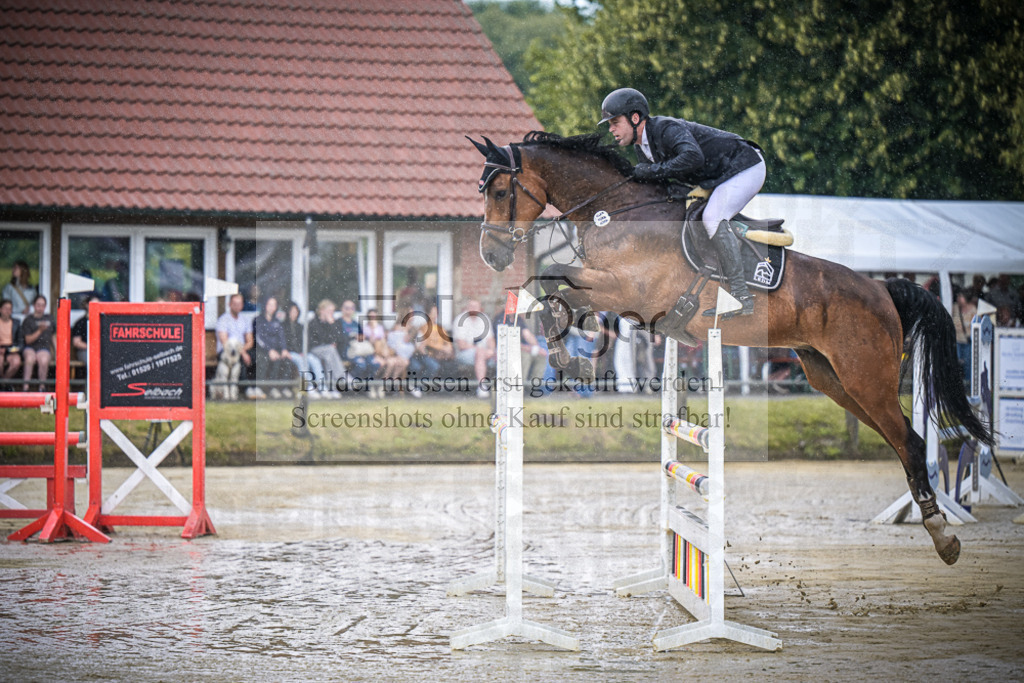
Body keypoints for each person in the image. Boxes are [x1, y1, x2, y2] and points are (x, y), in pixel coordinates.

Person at [600, 87, 766, 318]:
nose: (611, 129)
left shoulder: (665, 129)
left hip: (745, 167)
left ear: (635, 118)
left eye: (615, 122)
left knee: (712, 218)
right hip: (718, 177)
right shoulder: (642, 148)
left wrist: (649, 171)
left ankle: (741, 296)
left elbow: (693, 157)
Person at [215, 292, 255, 398]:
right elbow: (225, 342)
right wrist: (242, 352)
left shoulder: (245, 320)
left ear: (242, 305)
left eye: (239, 304)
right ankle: (246, 389)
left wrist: (242, 351)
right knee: (239, 358)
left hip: (241, 349)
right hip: (226, 351)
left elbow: (250, 341)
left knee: (256, 357)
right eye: (235, 304)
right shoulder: (223, 319)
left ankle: (257, 387)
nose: (237, 306)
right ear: (229, 304)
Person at [453, 299, 495, 398]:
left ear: (480, 308)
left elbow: (490, 340)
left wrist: (491, 350)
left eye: (476, 307)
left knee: (501, 353)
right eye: (471, 306)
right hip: (465, 354)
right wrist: (480, 350)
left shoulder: (484, 319)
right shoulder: (460, 320)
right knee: (479, 353)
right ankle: (482, 386)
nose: (473, 309)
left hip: (484, 353)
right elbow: (461, 345)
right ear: (467, 308)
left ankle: (506, 388)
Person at [251, 296, 291, 399]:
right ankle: (259, 387)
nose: (272, 307)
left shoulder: (277, 321)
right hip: (261, 350)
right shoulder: (258, 320)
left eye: (274, 305)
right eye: (270, 304)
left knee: (286, 359)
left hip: (275, 350)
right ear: (265, 305)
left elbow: (281, 336)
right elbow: (258, 338)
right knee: (263, 359)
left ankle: (280, 387)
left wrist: (284, 349)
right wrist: (269, 350)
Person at [282, 301, 324, 399]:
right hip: (290, 352)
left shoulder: (300, 327)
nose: (294, 314)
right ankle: (309, 387)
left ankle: (322, 386)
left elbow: (306, 342)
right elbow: (284, 342)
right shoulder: (283, 326)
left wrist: (302, 351)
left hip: (301, 352)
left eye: (296, 312)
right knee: (302, 362)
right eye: (292, 311)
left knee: (314, 360)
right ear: (287, 312)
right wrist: (292, 351)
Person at [307, 299, 347, 398]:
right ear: (322, 310)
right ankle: (340, 377)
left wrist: (332, 325)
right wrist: (328, 343)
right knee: (330, 350)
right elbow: (319, 340)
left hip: (328, 352)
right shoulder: (313, 323)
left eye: (332, 311)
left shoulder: (334, 323)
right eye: (329, 311)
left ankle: (331, 387)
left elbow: (340, 339)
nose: (331, 314)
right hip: (315, 350)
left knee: (329, 356)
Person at [19, 295, 54, 391]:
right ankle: (25, 387)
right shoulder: (28, 320)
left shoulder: (49, 318)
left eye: (43, 305)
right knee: (30, 359)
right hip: (30, 348)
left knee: (44, 360)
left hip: (44, 348)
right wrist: (40, 330)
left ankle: (42, 388)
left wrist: (57, 351)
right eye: (38, 305)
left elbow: (53, 336)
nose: (40, 308)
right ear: (34, 305)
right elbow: (28, 340)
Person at [71, 295, 100, 364]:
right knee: (92, 361)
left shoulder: (102, 321)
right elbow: (76, 342)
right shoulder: (80, 323)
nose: (95, 307)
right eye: (93, 304)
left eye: (97, 304)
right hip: (85, 351)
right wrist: (91, 347)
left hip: (100, 351)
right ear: (87, 305)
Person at [0, 299, 22, 388]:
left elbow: (21, 341)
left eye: (10, 309)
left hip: (11, 349)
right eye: (5, 308)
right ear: (0, 309)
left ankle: (3, 383)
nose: (7, 311)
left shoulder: (16, 322)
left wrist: (16, 349)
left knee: (16, 363)